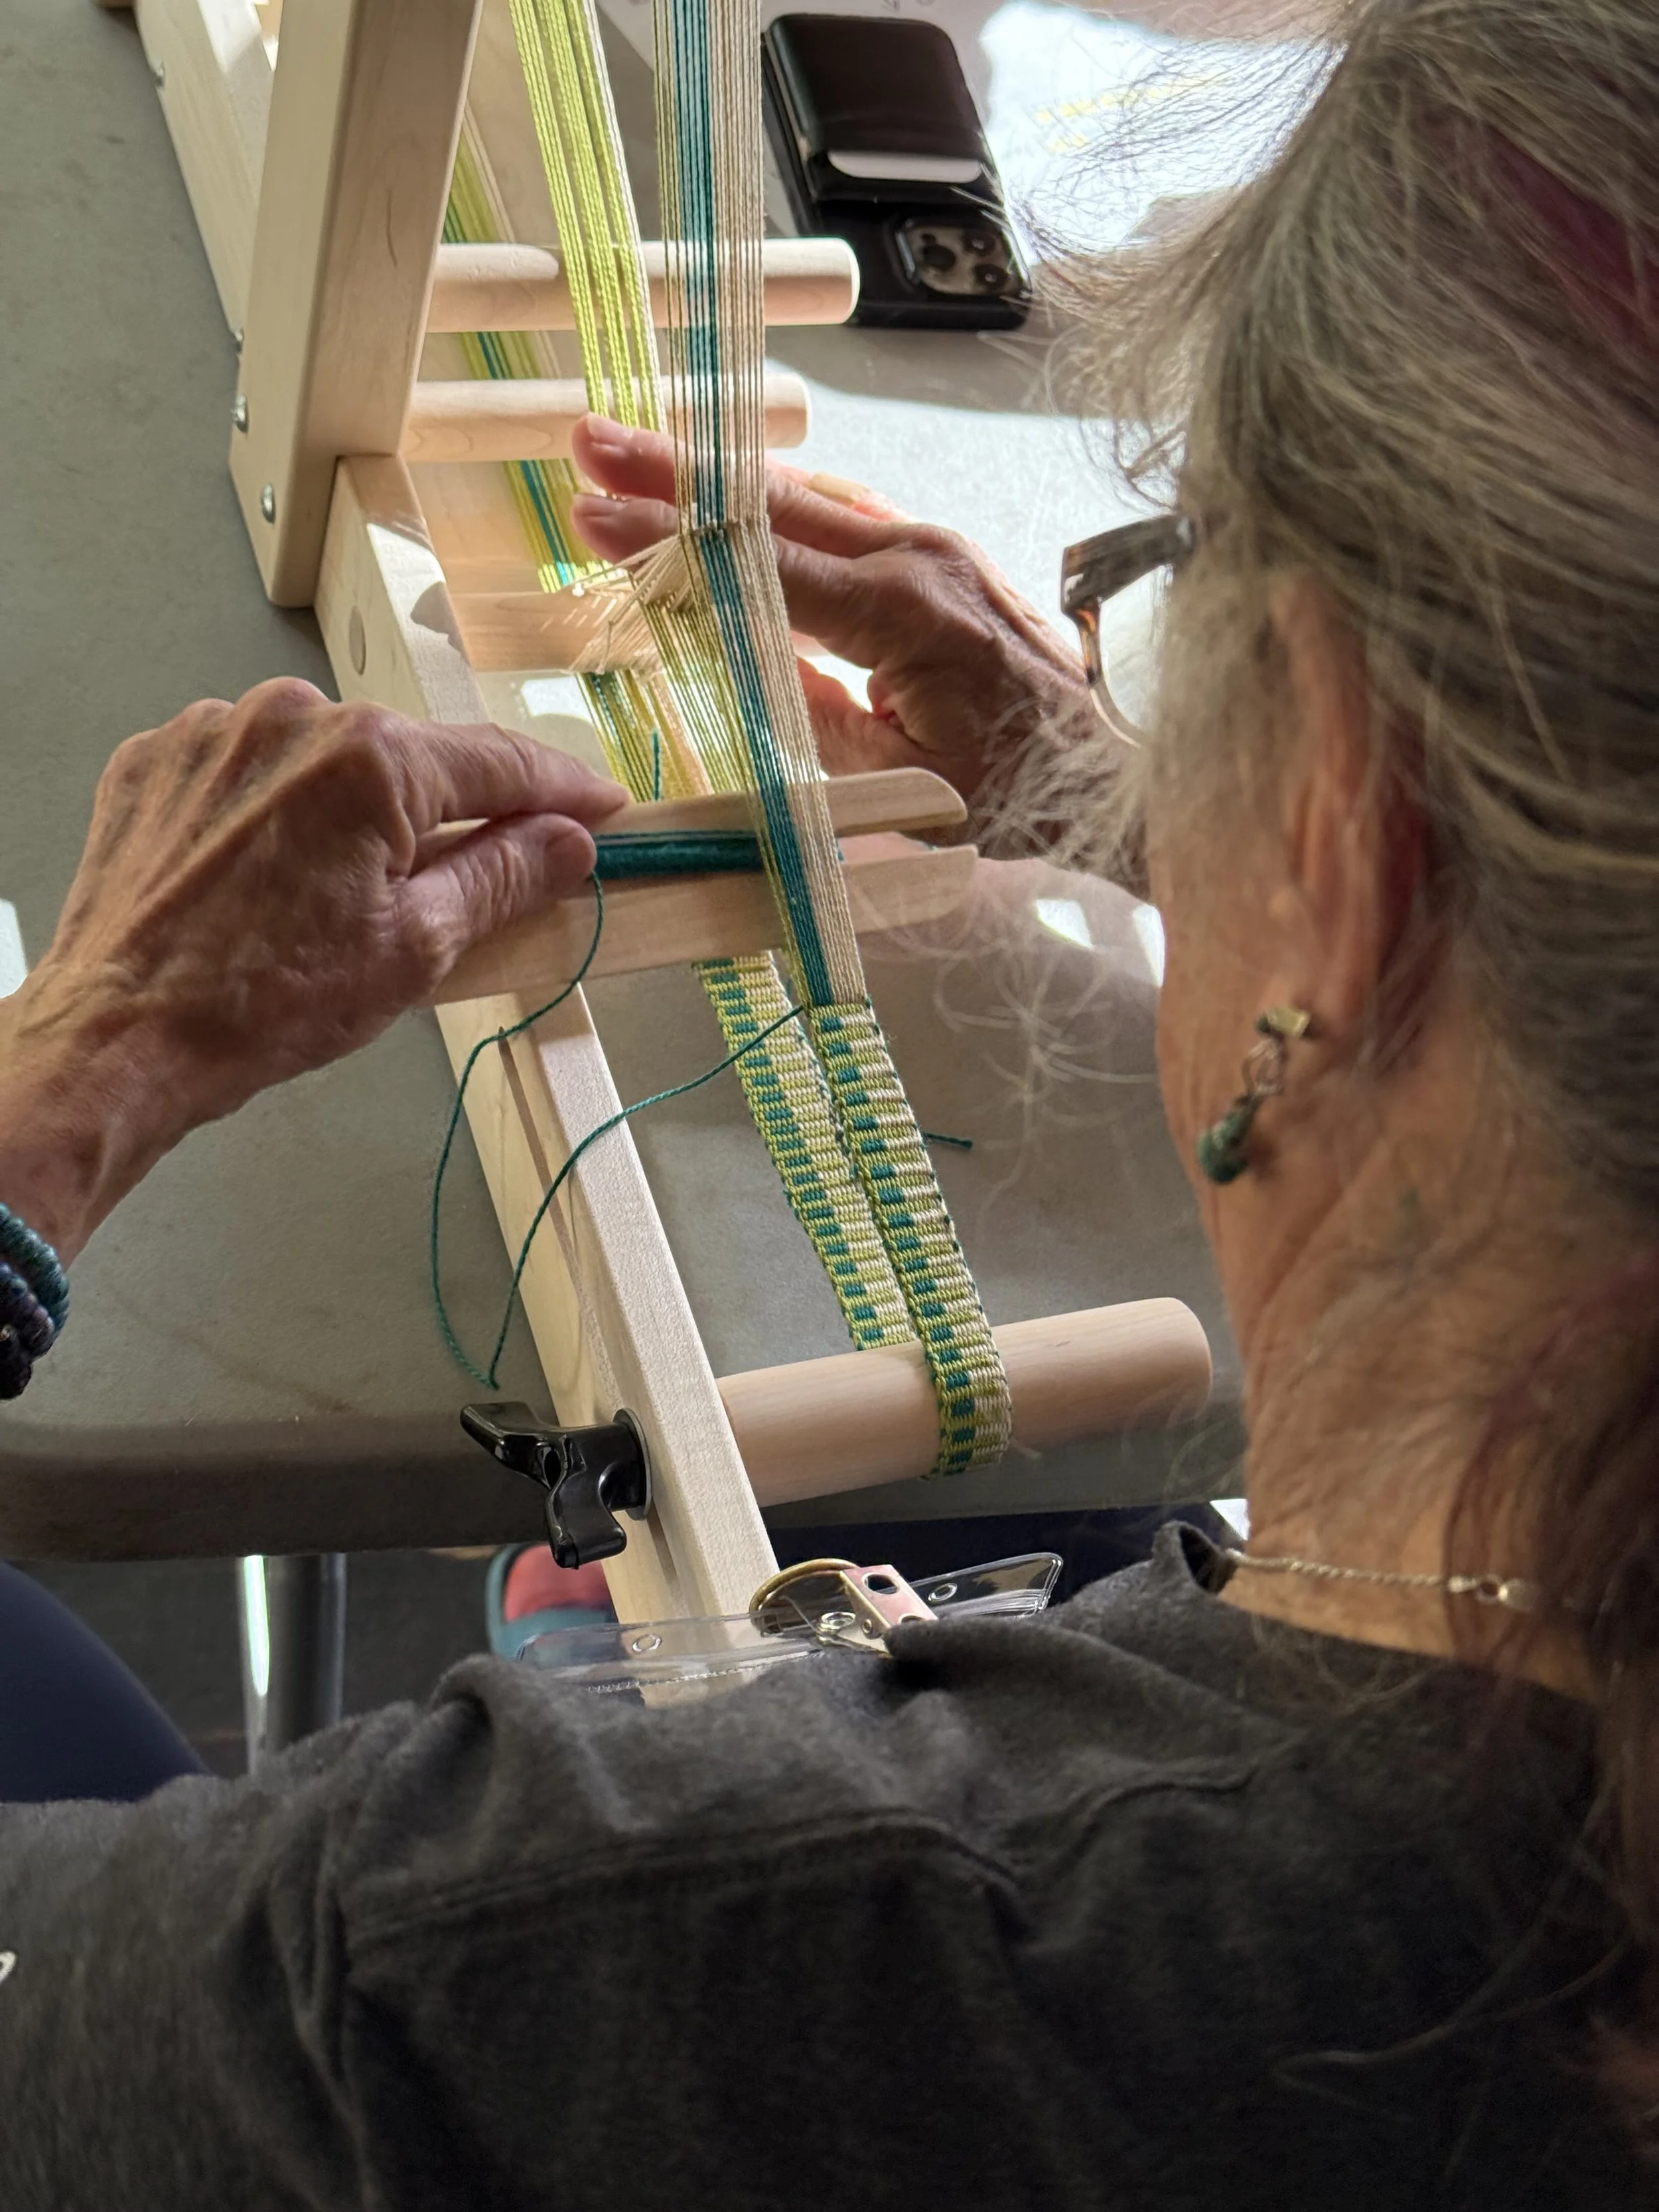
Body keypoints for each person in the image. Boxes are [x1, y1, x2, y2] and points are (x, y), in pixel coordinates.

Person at [3, 0, 1656, 2198]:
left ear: (1347, 835)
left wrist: (63, 1091)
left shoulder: (505, 1969)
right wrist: (1163, 813)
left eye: (1173, 577)